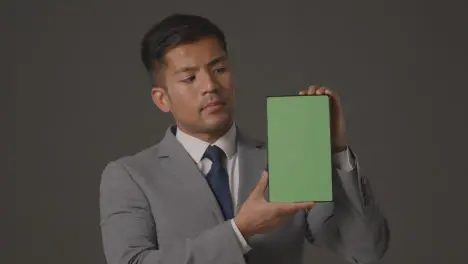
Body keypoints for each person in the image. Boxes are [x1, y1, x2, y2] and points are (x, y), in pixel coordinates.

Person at [99, 13, 389, 264]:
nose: (210, 86)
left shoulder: (283, 161)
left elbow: (365, 251)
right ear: (162, 98)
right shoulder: (130, 176)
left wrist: (336, 150)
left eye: (219, 69)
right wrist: (239, 231)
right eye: (190, 78)